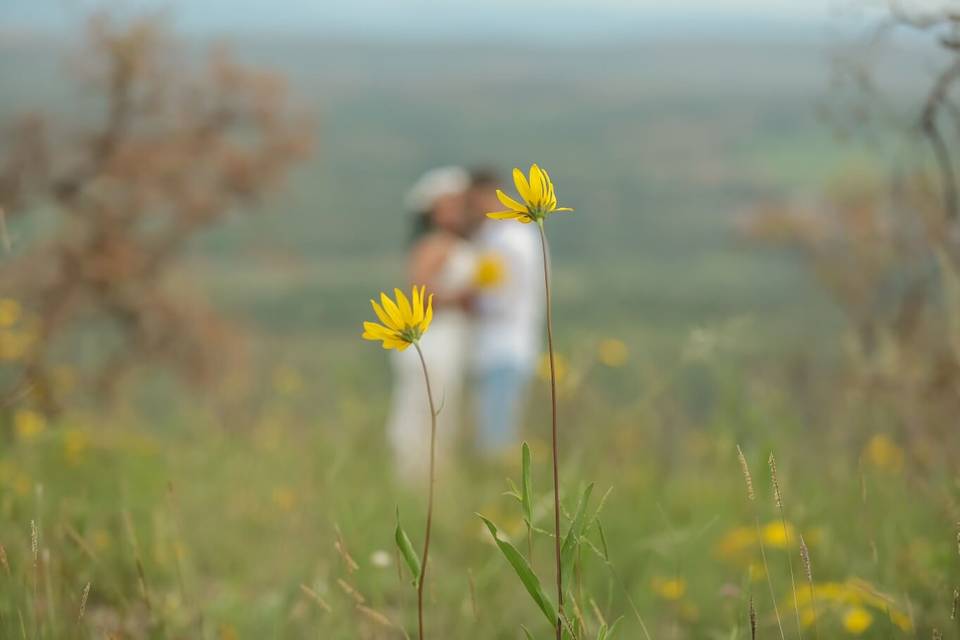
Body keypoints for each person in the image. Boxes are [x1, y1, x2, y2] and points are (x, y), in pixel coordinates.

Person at [387, 166, 476, 482]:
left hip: (452, 340)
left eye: (458, 203)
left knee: (443, 413)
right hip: (431, 340)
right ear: (431, 211)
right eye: (448, 204)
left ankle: (434, 480)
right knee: (426, 411)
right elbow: (418, 291)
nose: (456, 210)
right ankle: (417, 479)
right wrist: (463, 298)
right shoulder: (433, 245)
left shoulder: (454, 243)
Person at [464, 168, 544, 458]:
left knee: (497, 431)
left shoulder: (512, 236)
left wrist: (470, 302)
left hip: (506, 345)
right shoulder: (496, 233)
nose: (473, 209)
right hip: (492, 345)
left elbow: (507, 295)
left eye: (474, 201)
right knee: (490, 424)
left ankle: (498, 487)